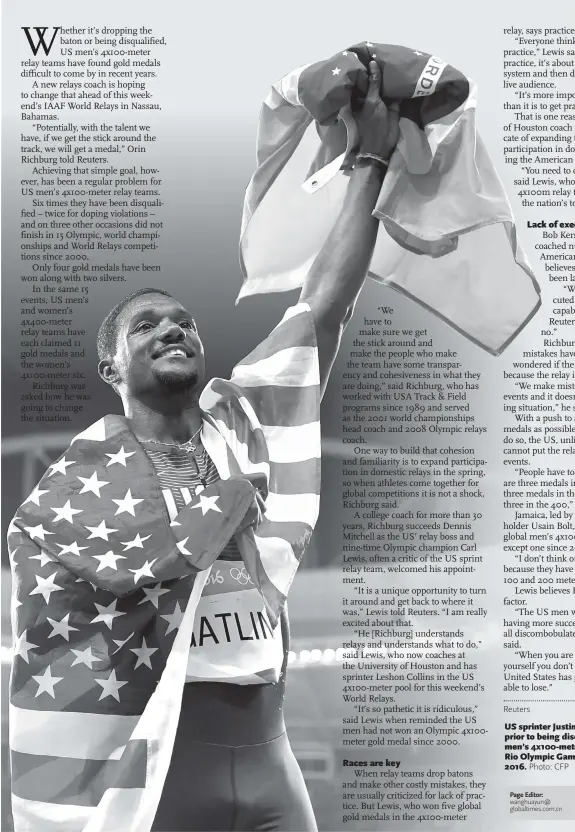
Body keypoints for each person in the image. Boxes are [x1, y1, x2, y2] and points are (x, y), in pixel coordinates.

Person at [8, 62, 399, 832]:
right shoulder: (76, 486)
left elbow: (323, 306)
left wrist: (373, 163)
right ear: (110, 367)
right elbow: (77, 569)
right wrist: (219, 508)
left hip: (270, 756)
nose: (173, 328)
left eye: (183, 320)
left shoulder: (245, 422)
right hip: (160, 776)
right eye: (146, 324)